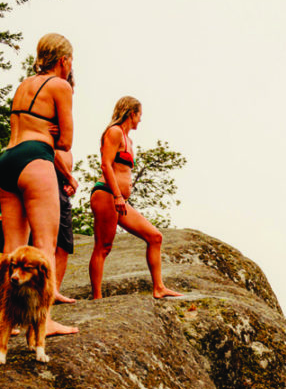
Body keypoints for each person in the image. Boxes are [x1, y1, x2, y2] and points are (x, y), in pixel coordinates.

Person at [0, 32, 78, 338]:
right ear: (64, 60)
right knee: (45, 246)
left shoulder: (24, 85)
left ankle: (6, 320)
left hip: (7, 159)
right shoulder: (60, 85)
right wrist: (56, 131)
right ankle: (43, 324)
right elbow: (66, 142)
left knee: (11, 251)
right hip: (36, 159)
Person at [88, 96, 181, 301]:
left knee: (155, 237)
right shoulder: (114, 132)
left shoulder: (128, 139)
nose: (140, 120)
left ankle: (159, 287)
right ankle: (96, 297)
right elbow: (106, 165)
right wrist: (118, 195)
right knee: (103, 247)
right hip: (107, 194)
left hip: (119, 200)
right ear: (132, 113)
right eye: (140, 115)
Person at [53, 70, 76, 304]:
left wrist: (67, 180)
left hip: (60, 181)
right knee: (49, 239)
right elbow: (50, 147)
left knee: (64, 241)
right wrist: (69, 177)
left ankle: (54, 290)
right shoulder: (51, 109)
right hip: (48, 178)